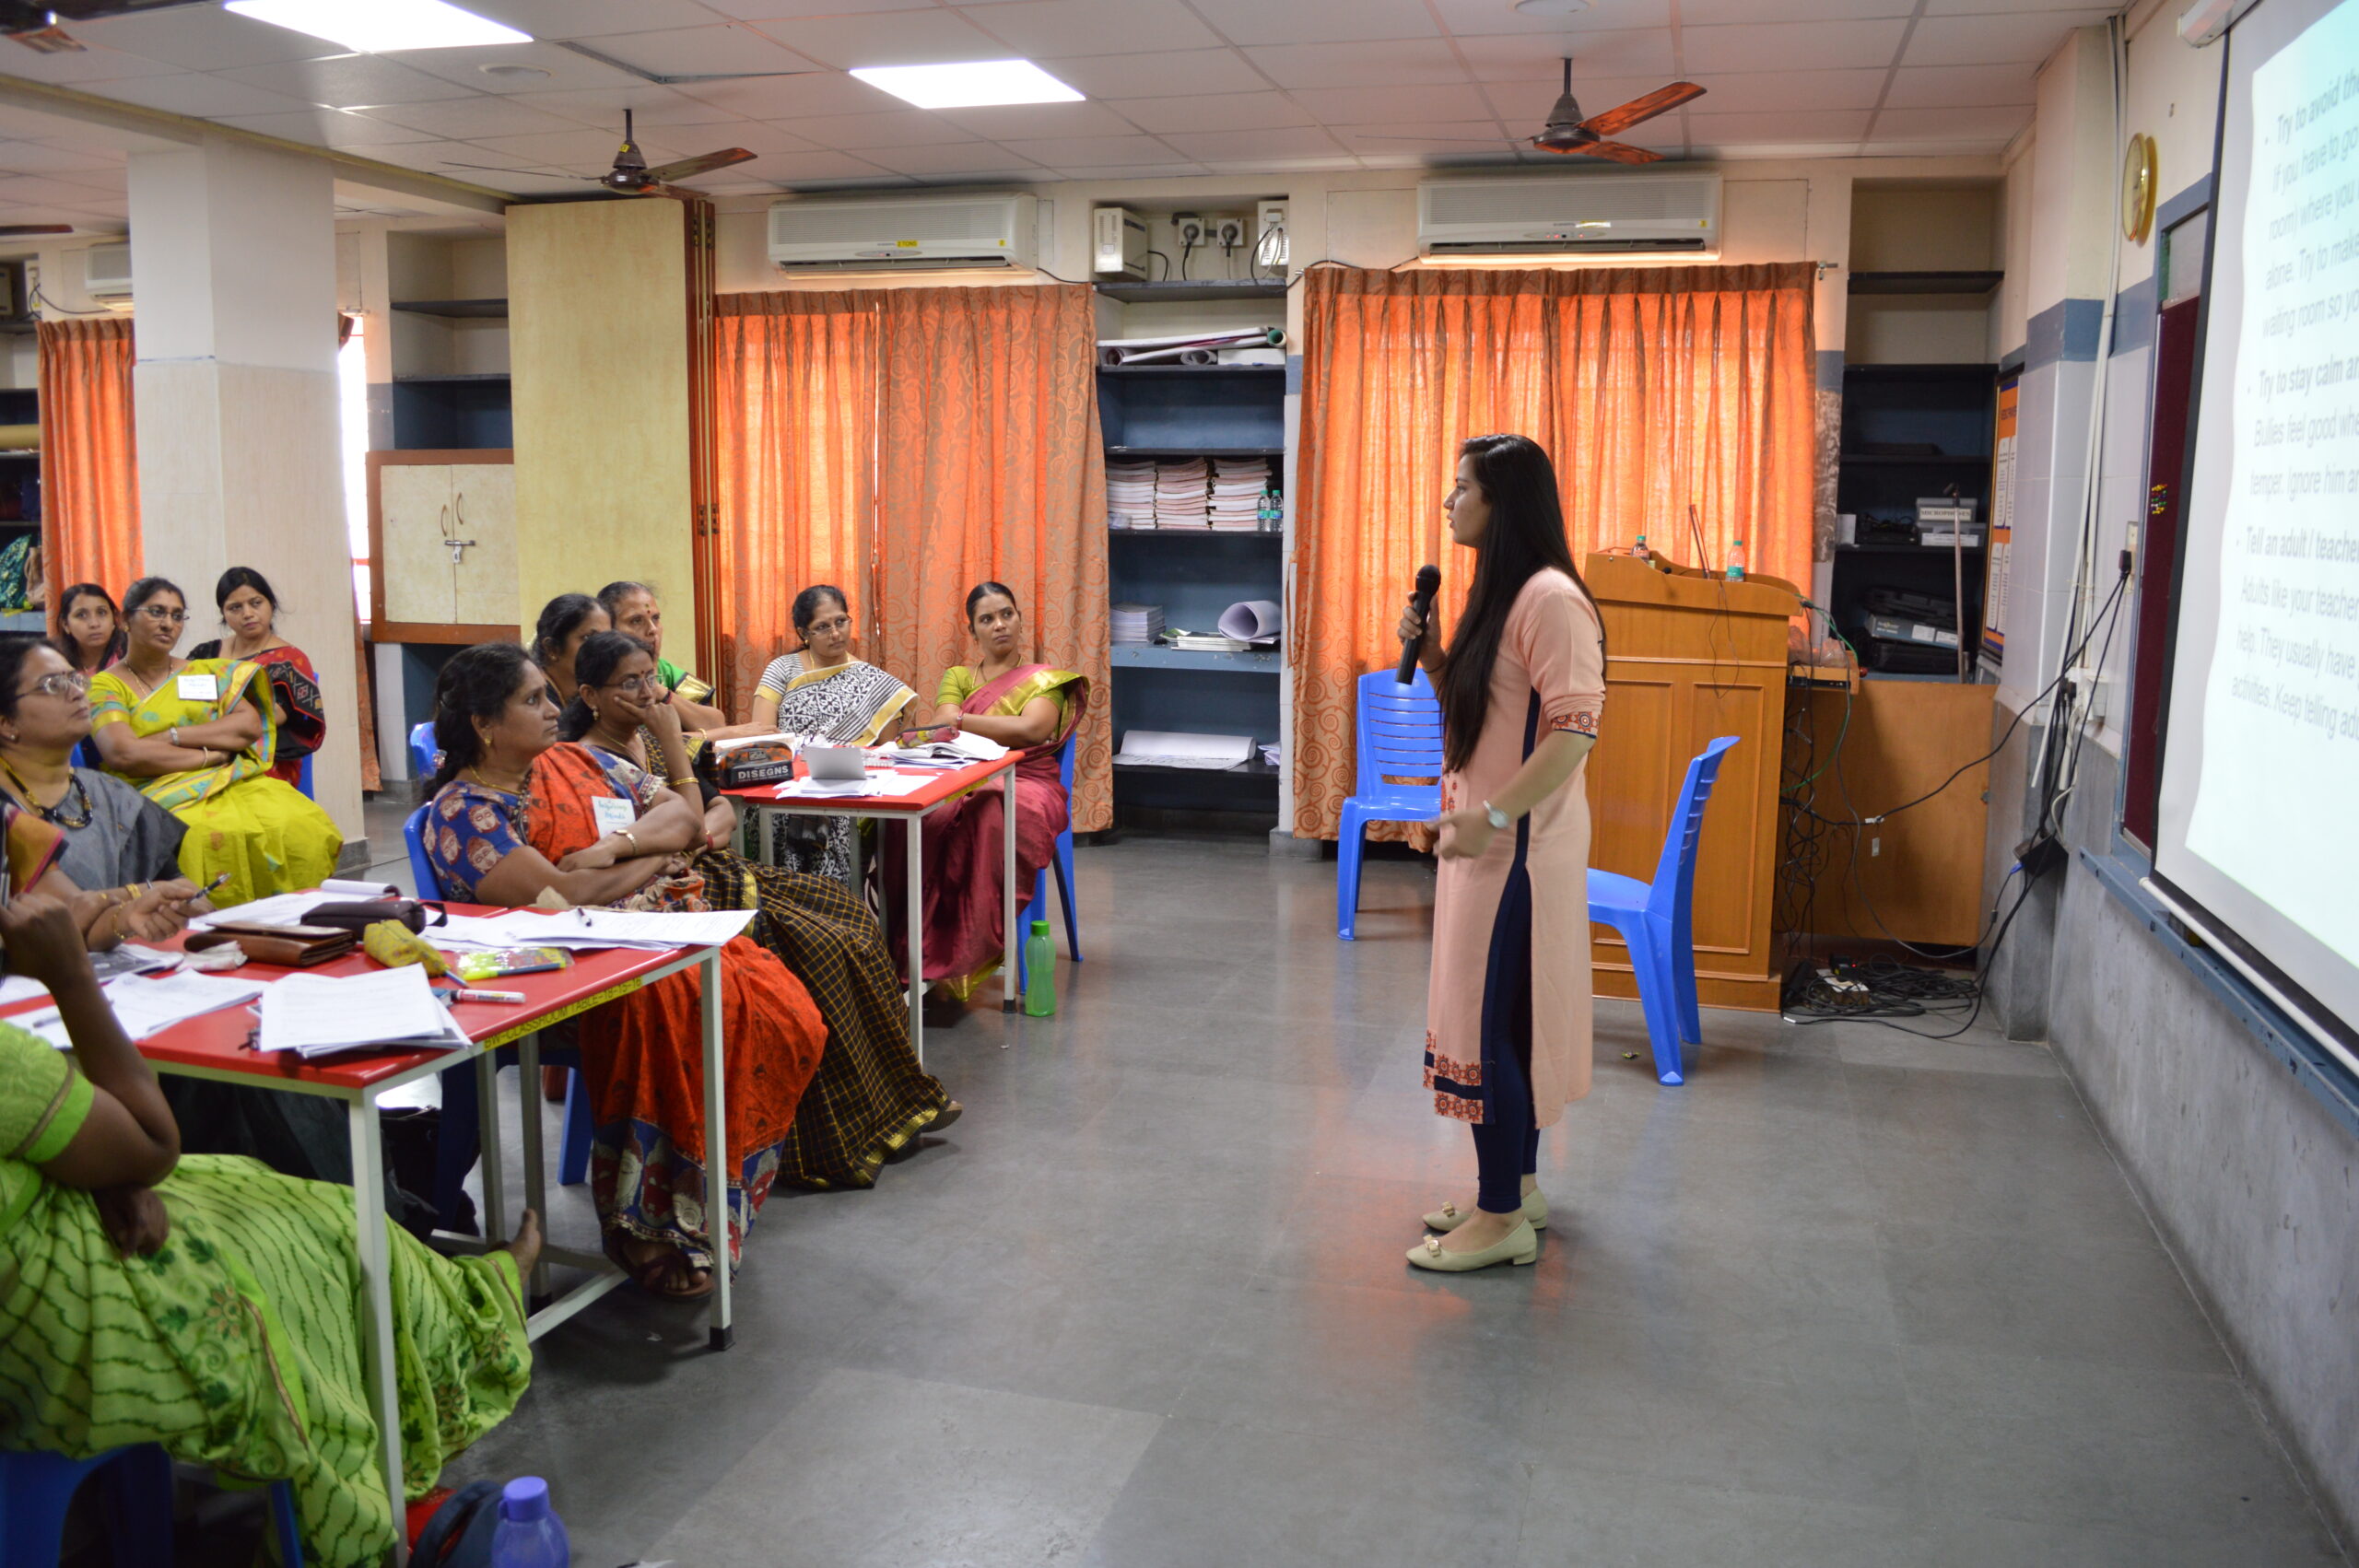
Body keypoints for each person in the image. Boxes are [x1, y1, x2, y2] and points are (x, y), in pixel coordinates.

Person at [0, 892, 537, 1567]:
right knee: (321, 1229)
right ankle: (477, 1312)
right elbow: (151, 1143)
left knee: (250, 1179)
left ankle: (460, 1295)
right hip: (55, 1327)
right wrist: (71, 973)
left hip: (44, 1227)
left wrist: (110, 1172)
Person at [423, 643, 827, 1296]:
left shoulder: (578, 761)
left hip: (646, 937)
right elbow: (560, 898)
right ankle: (652, 1227)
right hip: (556, 977)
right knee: (683, 1008)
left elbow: (683, 815)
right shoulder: (465, 813)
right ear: (484, 724)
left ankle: (709, 1209)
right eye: (533, 700)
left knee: (784, 1007)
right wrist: (648, 863)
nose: (553, 709)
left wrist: (616, 849)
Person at [564, 630, 957, 1188]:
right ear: (589, 695)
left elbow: (712, 814)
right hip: (676, 898)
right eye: (631, 683)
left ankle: (891, 1110)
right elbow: (687, 826)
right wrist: (677, 757)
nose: (649, 693)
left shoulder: (645, 741)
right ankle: (825, 1141)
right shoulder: (587, 761)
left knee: (846, 914)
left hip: (710, 868)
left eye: (652, 678)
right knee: (815, 943)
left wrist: (691, 828)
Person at [1395, 433, 1606, 1273]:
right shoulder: (1503, 591)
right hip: (1490, 841)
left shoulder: (1550, 599)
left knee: (1492, 1032)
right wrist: (1441, 655)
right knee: (1508, 1023)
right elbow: (1492, 714)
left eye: (1462, 489)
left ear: (1503, 502)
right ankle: (1514, 1189)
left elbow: (1575, 730)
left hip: (1516, 849)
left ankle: (1499, 1219)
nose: (1449, 503)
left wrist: (1496, 814)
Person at [87, 577, 340, 907]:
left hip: (233, 782)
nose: (168, 624)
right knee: (199, 835)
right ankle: (205, 930)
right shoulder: (107, 685)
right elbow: (124, 753)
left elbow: (248, 727)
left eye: (178, 616)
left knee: (302, 824)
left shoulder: (202, 672)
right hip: (153, 786)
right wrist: (213, 756)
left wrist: (173, 737)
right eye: (157, 612)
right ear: (124, 620)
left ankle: (289, 920)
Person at [900, 581, 1088, 1026]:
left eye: (1007, 614)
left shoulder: (1047, 678)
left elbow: (1031, 731)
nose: (999, 625)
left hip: (1030, 782)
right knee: (921, 819)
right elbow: (944, 731)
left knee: (989, 811)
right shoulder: (959, 676)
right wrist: (965, 725)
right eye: (987, 619)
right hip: (964, 777)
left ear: (1020, 618)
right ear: (973, 631)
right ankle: (919, 952)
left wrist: (963, 720)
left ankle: (971, 946)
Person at [750, 584, 921, 883]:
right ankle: (783, 904)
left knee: (832, 818)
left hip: (845, 787)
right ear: (804, 632)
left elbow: (887, 752)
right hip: (785, 781)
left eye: (841, 622)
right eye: (822, 627)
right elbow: (762, 734)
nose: (836, 633)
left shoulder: (874, 683)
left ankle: (833, 909)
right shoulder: (783, 669)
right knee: (773, 815)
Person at [187, 567, 325, 789]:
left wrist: (187, 734)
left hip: (259, 764)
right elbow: (181, 704)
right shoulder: (205, 654)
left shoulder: (288, 662)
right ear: (223, 613)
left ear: (271, 604)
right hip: (198, 753)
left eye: (256, 603)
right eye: (235, 607)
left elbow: (262, 722)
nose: (248, 613)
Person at [596, 579, 728, 731]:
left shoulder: (666, 671)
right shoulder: (604, 677)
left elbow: (717, 724)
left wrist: (660, 691)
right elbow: (630, 744)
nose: (652, 629)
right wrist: (704, 738)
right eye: (636, 621)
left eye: (655, 618)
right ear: (608, 629)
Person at [529, 591, 609, 709]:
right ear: (552, 649)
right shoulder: (531, 702)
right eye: (588, 638)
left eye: (607, 638)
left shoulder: (588, 695)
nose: (604, 648)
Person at [53, 580, 124, 676]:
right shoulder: (54, 664)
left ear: (114, 618)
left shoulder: (131, 656)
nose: (94, 624)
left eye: (101, 613)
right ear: (66, 624)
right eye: (81, 615)